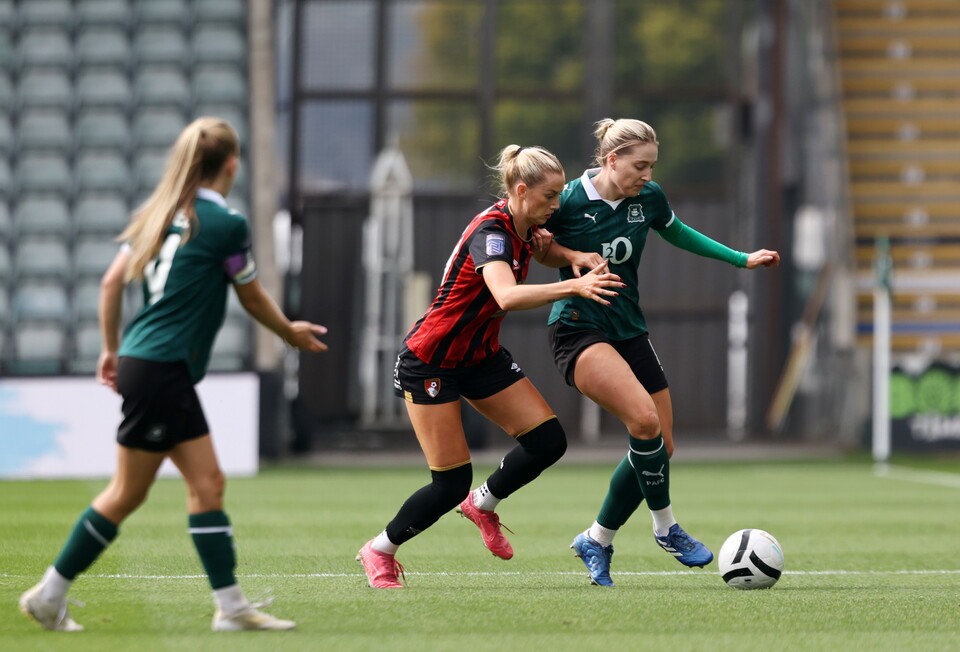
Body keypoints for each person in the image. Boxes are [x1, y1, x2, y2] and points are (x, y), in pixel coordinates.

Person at [18, 117, 328, 631]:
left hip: (146, 362)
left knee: (198, 485)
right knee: (138, 491)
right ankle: (51, 594)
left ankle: (229, 608)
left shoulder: (158, 214)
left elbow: (110, 282)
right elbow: (249, 294)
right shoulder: (225, 223)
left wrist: (112, 349)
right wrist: (287, 331)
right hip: (162, 369)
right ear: (232, 164)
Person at [356, 144, 624, 588]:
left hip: (480, 357)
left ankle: (482, 505)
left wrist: (569, 255)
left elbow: (544, 247)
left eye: (559, 196)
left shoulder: (525, 224)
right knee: (449, 482)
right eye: (549, 196)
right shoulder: (492, 232)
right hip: (432, 361)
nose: (555, 205)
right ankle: (380, 550)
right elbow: (506, 295)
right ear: (521, 190)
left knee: (547, 441)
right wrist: (575, 286)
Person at [535, 118, 780, 586]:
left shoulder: (648, 198)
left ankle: (597, 539)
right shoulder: (565, 199)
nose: (647, 175)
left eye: (652, 165)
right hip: (577, 328)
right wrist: (564, 254)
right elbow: (538, 246)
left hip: (629, 329)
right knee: (643, 423)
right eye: (639, 166)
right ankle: (666, 528)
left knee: (661, 445)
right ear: (611, 160)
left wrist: (741, 259)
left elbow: (680, 232)